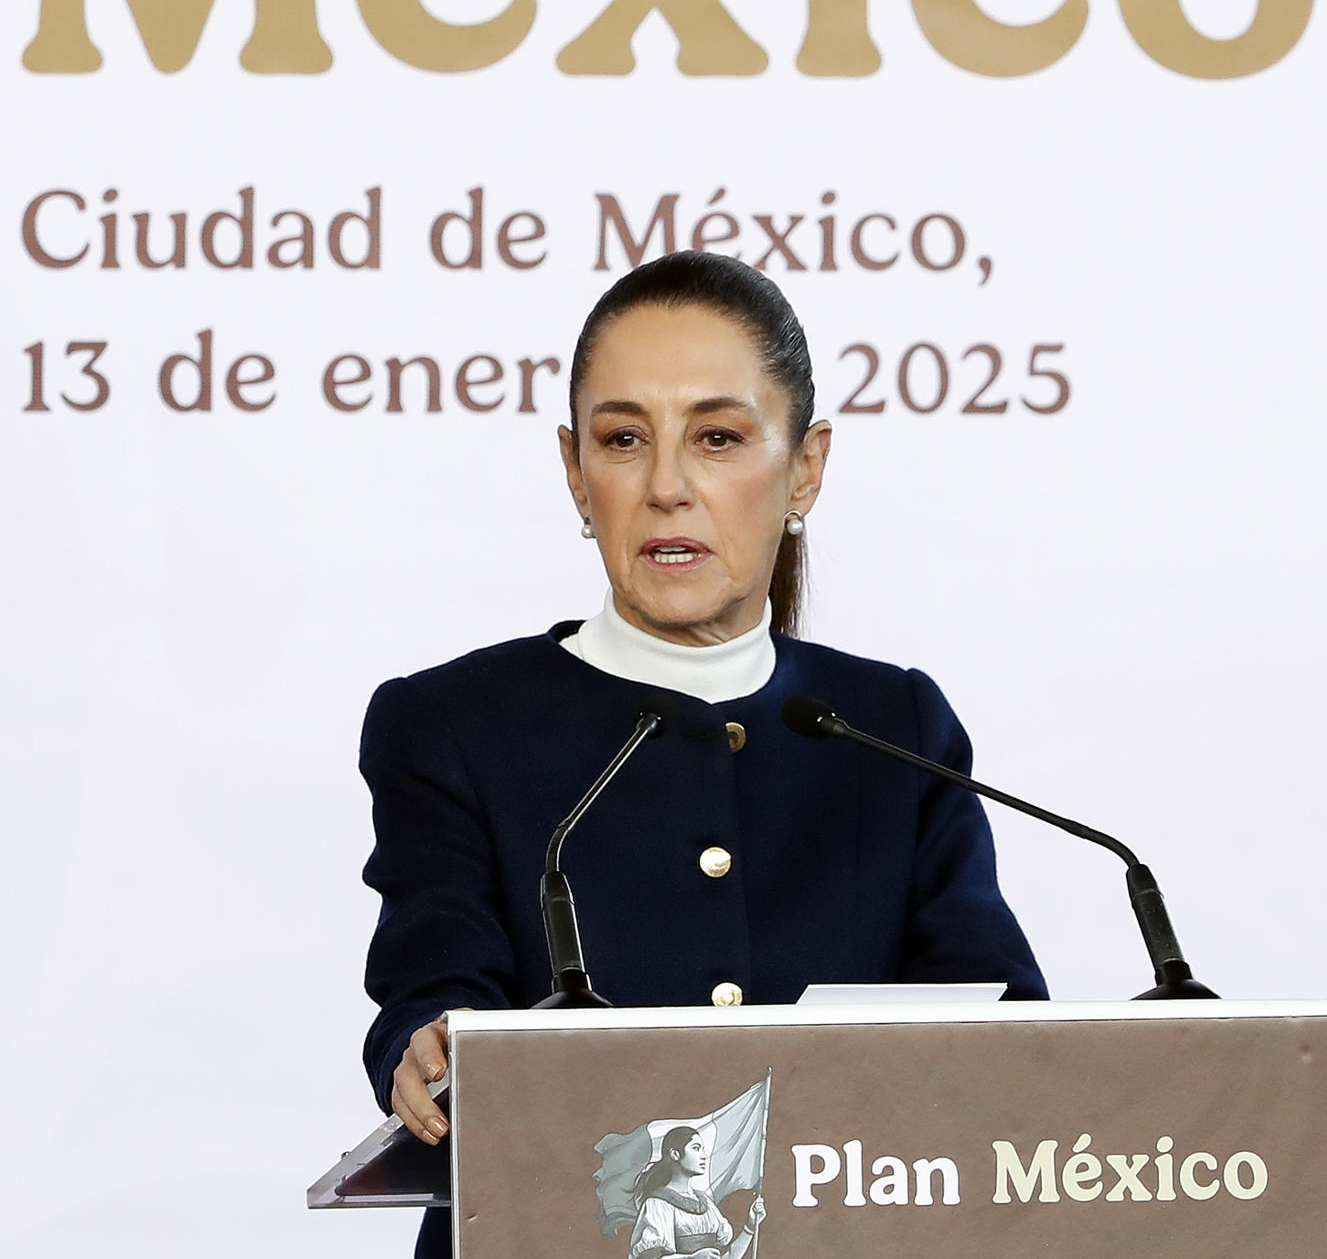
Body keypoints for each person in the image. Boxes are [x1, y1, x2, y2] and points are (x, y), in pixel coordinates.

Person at [359, 252, 1045, 1257]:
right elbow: (433, 984)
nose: (668, 486)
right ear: (574, 473)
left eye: (718, 438)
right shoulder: (456, 724)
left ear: (805, 467)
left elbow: (1006, 1034)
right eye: (624, 439)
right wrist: (430, 1044)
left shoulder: (891, 726)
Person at [628, 1127, 764, 1259]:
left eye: (702, 1149)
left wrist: (750, 1227)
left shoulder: (705, 1202)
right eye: (696, 1148)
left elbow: (726, 1257)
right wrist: (691, 1258)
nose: (704, 1156)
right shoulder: (658, 1204)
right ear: (675, 1154)